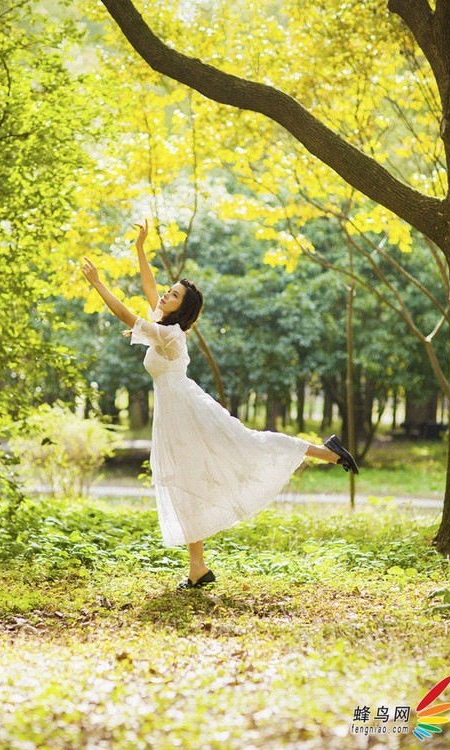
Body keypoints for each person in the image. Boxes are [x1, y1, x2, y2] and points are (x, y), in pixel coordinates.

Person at [81, 220, 359, 590]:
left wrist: (98, 283)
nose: (164, 296)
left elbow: (124, 316)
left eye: (173, 296)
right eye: (169, 292)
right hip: (174, 414)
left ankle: (325, 451)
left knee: (248, 445)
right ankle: (198, 569)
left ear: (183, 309)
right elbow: (149, 287)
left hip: (188, 410)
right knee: (185, 479)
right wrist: (140, 248)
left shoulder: (168, 334)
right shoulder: (163, 323)